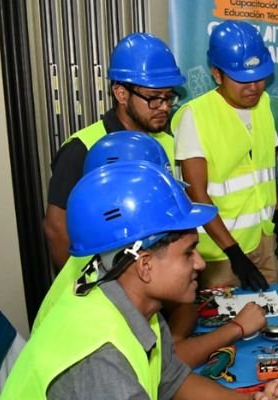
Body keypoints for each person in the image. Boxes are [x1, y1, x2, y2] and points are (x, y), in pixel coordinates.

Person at [1, 161, 278, 400]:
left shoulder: (132, 303)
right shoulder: (102, 363)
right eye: (188, 254)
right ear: (144, 265)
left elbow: (171, 379)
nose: (200, 264)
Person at [33, 131, 267, 368]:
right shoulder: (98, 341)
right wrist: (232, 330)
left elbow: (180, 321)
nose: (199, 263)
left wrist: (170, 344)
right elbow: (172, 358)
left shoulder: (116, 262)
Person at [43, 33, 185, 268]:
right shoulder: (82, 148)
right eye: (153, 98)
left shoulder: (167, 141)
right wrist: (86, 285)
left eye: (169, 97)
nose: (164, 107)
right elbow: (56, 228)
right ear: (121, 94)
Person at [173, 20, 278, 292]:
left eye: (259, 77)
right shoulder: (195, 116)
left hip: (263, 240)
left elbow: (266, 168)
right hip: (221, 253)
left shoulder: (265, 105)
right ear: (217, 74)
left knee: (271, 318)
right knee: (222, 328)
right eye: (242, 79)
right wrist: (234, 253)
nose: (254, 87)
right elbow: (196, 194)